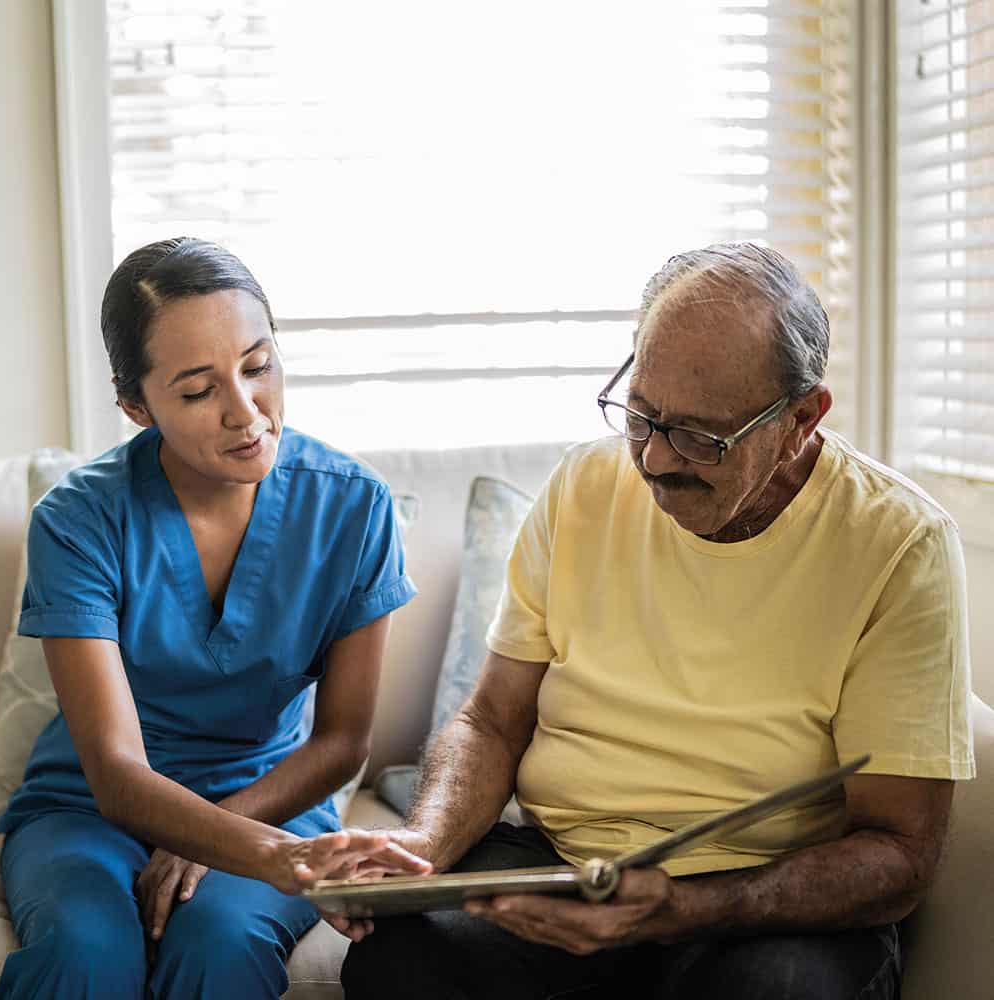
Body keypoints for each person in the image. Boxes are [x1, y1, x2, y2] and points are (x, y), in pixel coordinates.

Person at [337, 243, 976, 999]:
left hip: (760, 903)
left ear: (802, 419)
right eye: (641, 414)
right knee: (397, 960)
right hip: (560, 860)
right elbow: (494, 719)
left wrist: (683, 910)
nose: (654, 461)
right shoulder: (584, 485)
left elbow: (900, 854)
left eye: (702, 438)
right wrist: (422, 846)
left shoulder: (899, 546)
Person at [0, 237, 432, 999]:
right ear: (136, 406)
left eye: (258, 367)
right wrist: (246, 850)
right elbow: (118, 776)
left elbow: (341, 741)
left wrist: (234, 839)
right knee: (85, 955)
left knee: (223, 946)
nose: (245, 412)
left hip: (274, 801)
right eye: (197, 391)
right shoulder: (77, 521)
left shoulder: (354, 506)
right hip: (89, 811)